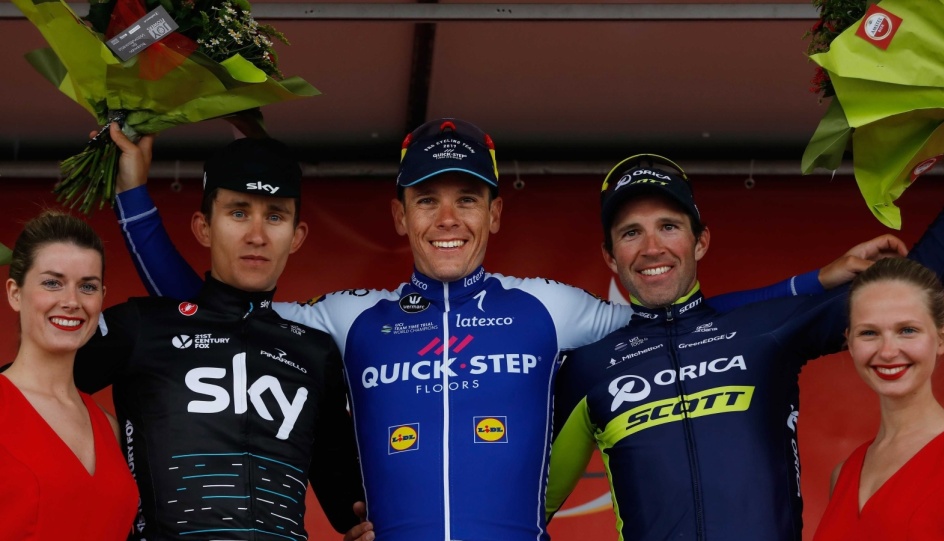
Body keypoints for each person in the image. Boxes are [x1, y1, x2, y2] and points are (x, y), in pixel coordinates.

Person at [106, 119, 878, 541]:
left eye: (467, 200)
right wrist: (135, 193)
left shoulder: (549, 305)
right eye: (427, 200)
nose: (447, 219)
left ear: (495, 213)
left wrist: (813, 284)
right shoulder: (352, 318)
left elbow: (685, 318)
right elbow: (207, 320)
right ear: (399, 214)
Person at [546, 154, 944, 540]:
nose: (652, 247)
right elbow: (522, 511)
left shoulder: (763, 329)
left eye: (669, 226)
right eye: (631, 232)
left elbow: (912, 291)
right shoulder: (589, 366)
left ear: (701, 241)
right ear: (610, 256)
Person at [72, 130, 368, 541]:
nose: (257, 235)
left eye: (276, 216)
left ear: (297, 237)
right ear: (204, 227)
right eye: (239, 213)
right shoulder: (142, 325)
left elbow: (350, 509)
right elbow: (25, 394)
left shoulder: (314, 352)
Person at [1, 211, 138, 540]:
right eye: (52, 283)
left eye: (87, 287)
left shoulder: (109, 426)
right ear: (15, 293)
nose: (72, 301)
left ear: (102, 297)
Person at [812, 257, 944, 540]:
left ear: (941, 338)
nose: (888, 351)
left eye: (907, 330)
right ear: (851, 344)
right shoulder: (843, 474)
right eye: (869, 333)